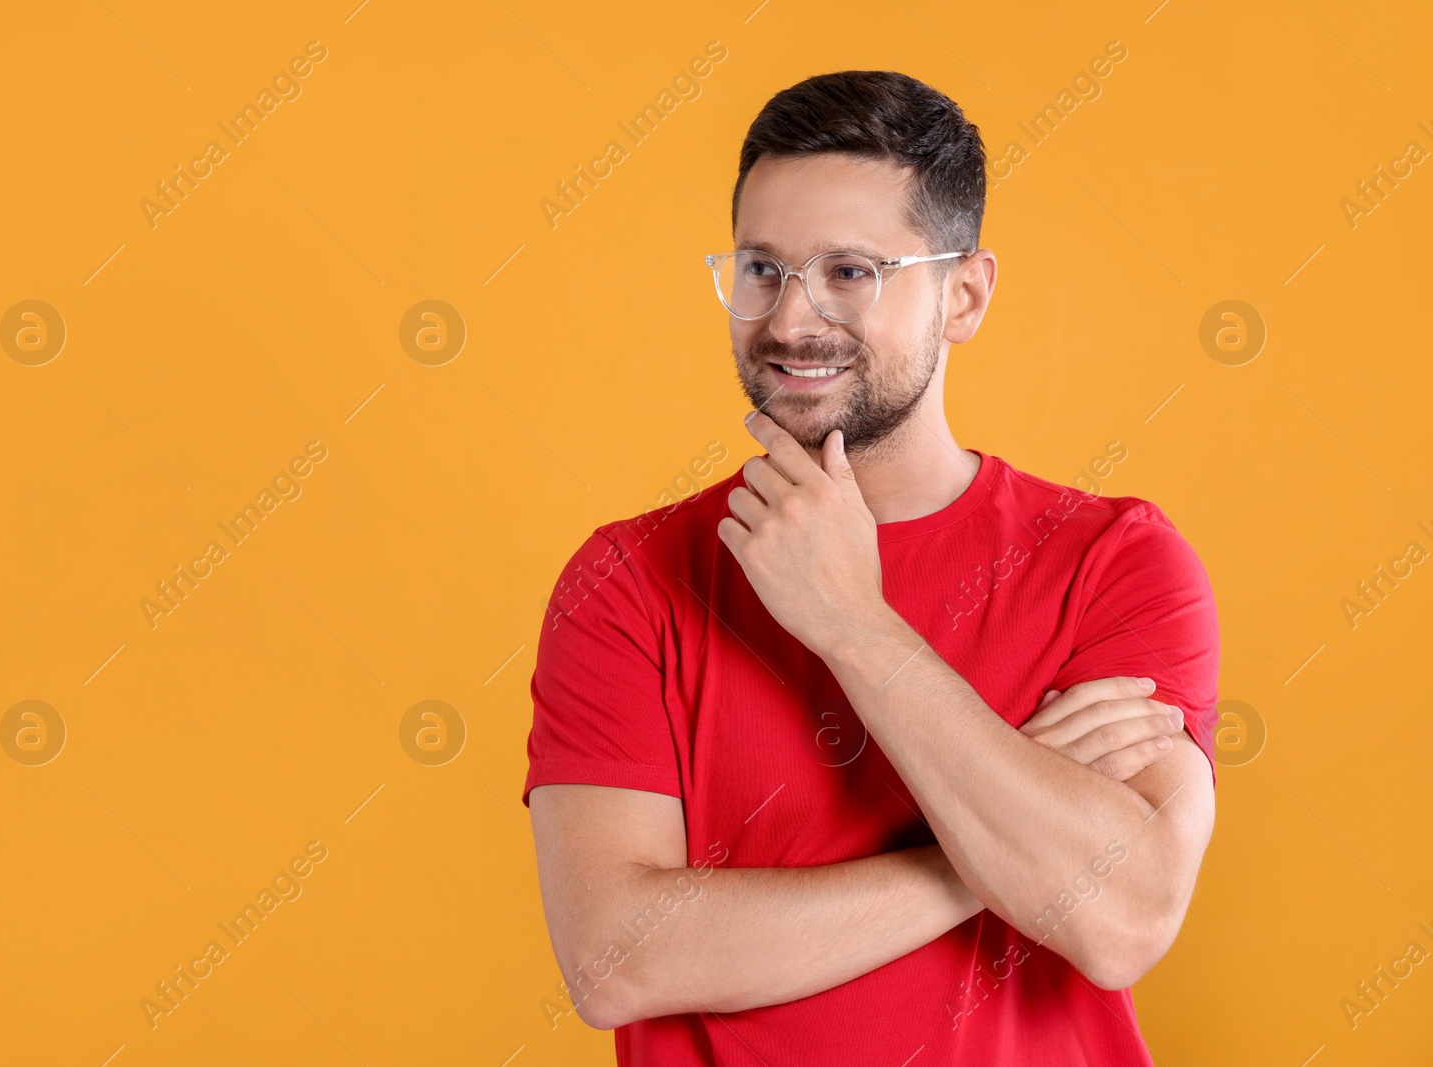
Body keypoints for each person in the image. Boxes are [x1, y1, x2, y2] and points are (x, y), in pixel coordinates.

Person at [522, 69, 1218, 1066]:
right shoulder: (630, 579)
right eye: (762, 267)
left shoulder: (1113, 562)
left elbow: (1118, 918)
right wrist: (985, 862)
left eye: (850, 270)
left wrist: (853, 622)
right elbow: (615, 957)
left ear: (963, 294)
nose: (793, 318)